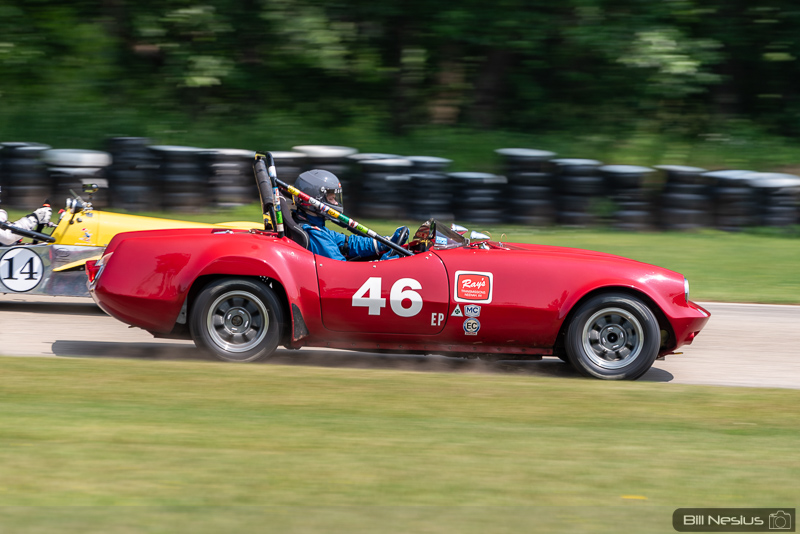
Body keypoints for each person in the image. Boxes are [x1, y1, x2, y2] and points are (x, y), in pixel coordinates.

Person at [292, 169, 408, 261]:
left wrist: (385, 242)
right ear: (316, 200)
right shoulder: (314, 233)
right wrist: (384, 263)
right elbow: (342, 270)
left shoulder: (318, 228)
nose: (336, 203)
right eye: (331, 199)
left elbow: (349, 243)